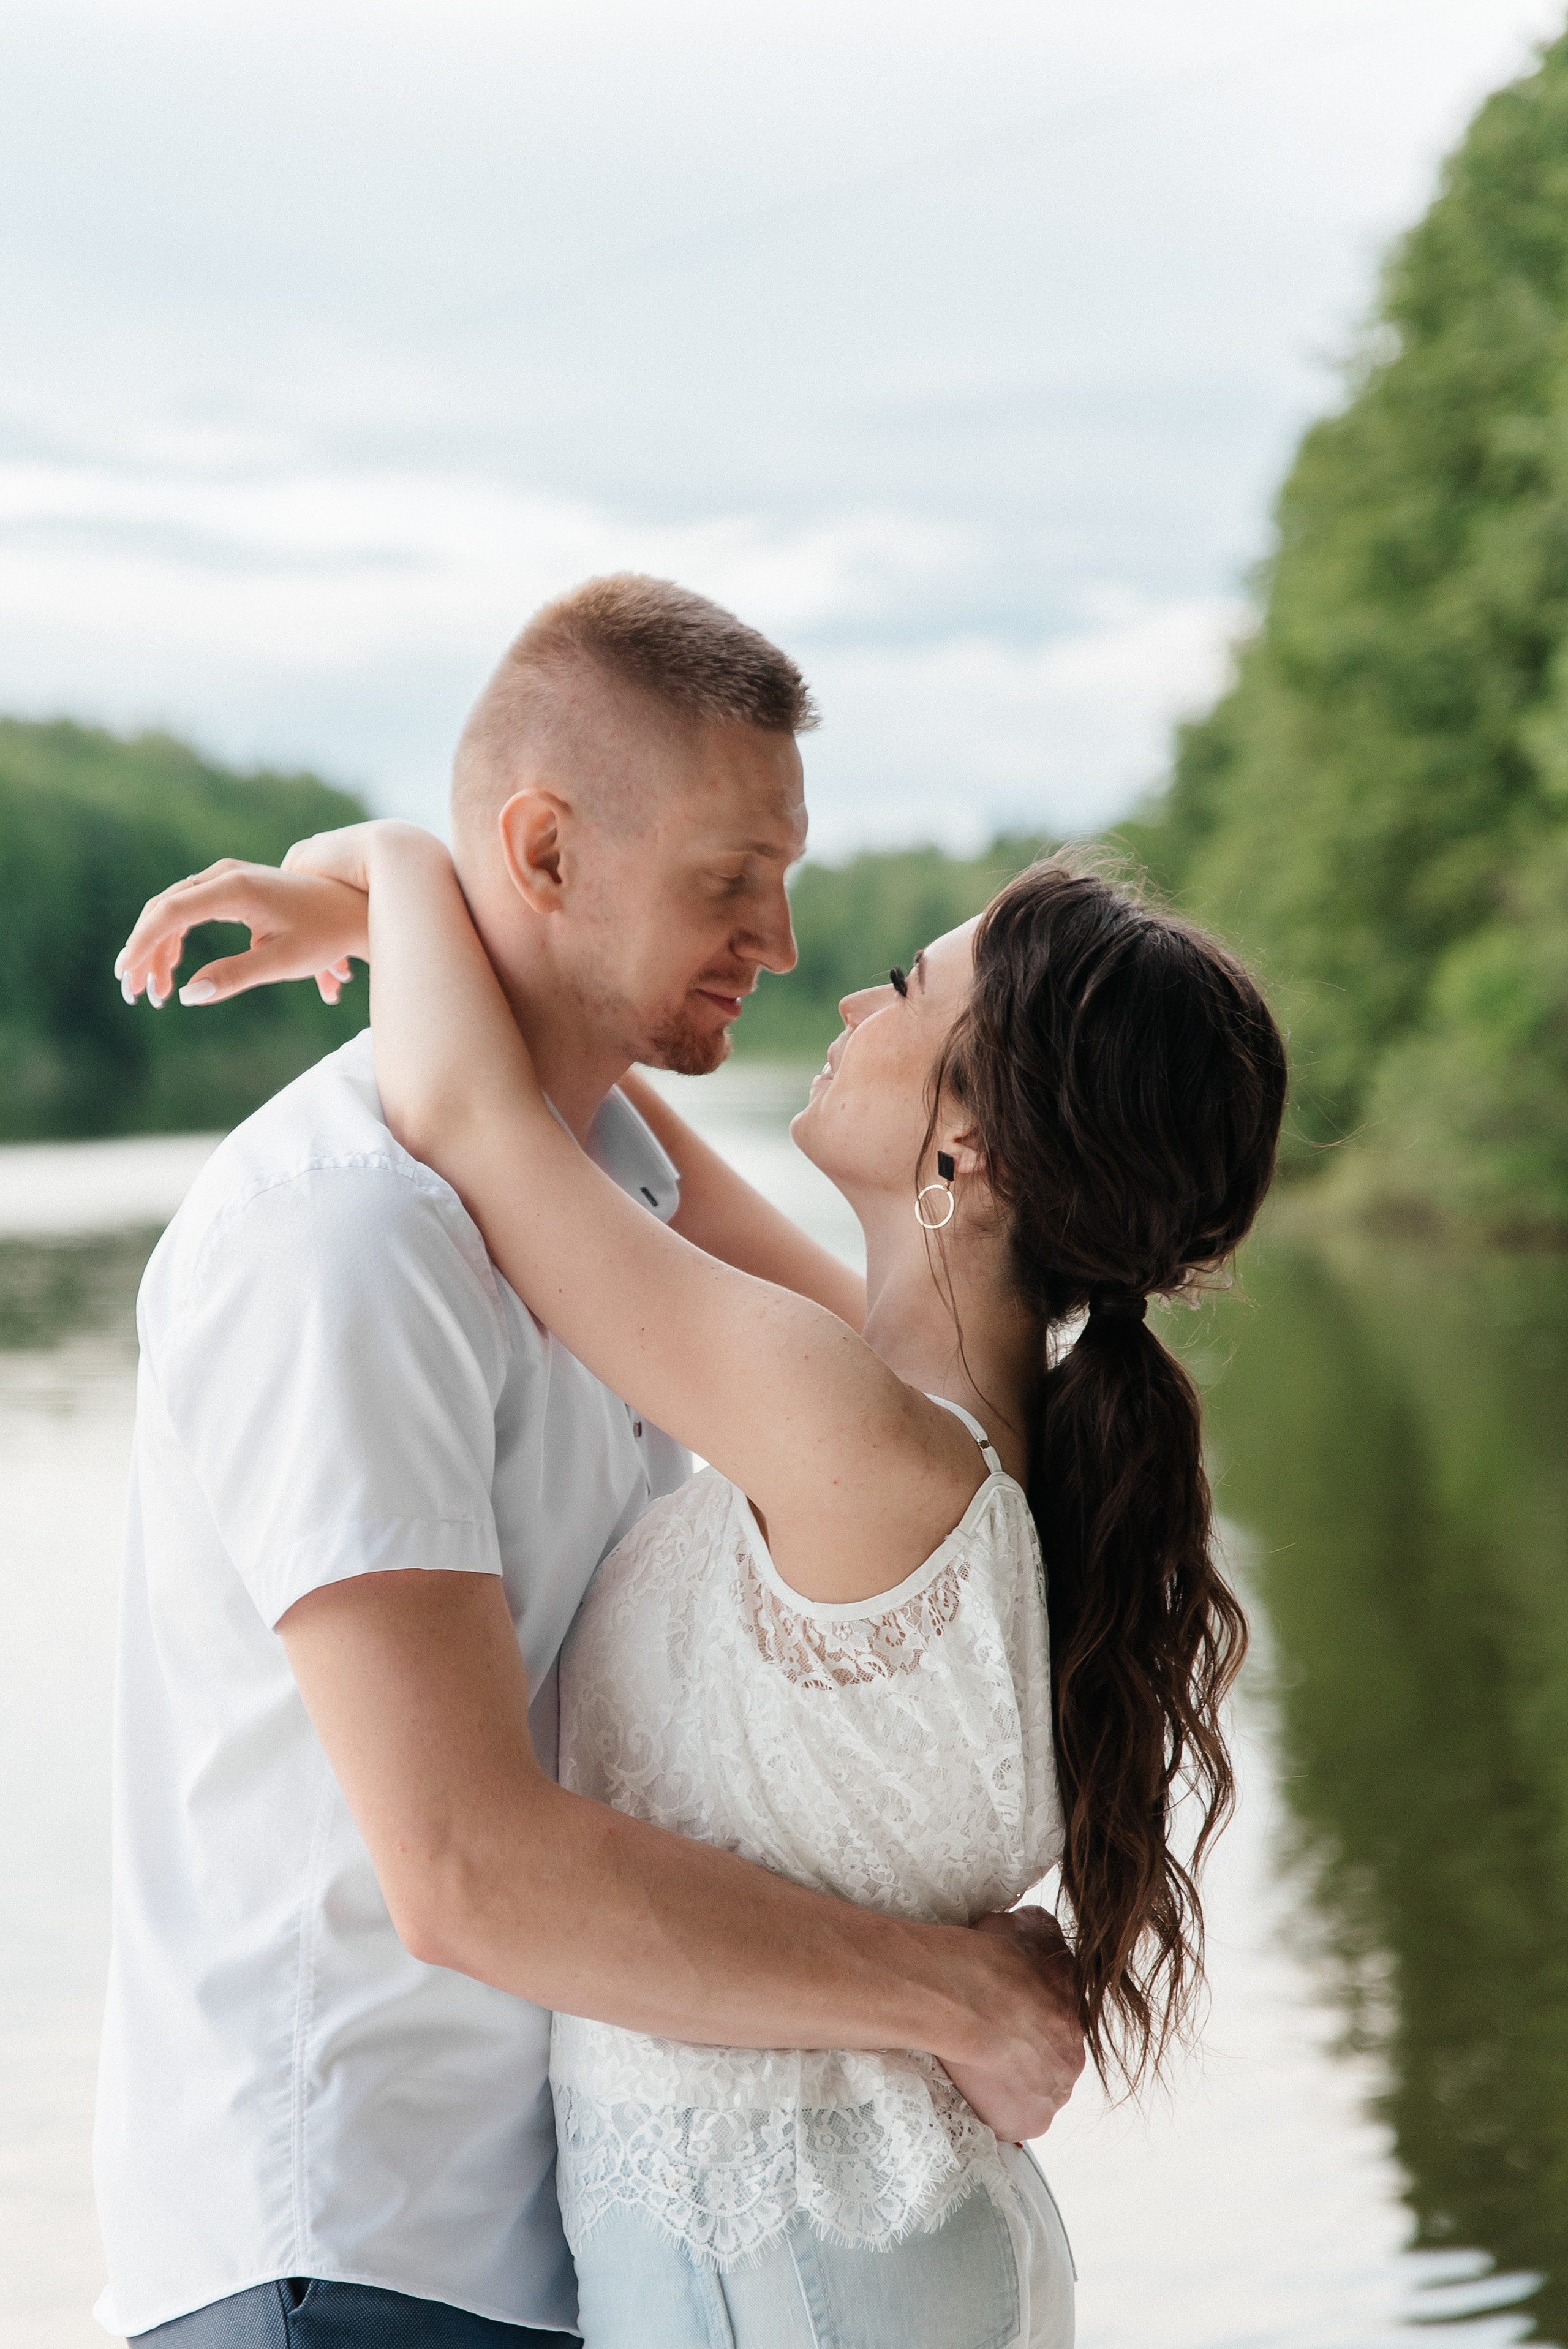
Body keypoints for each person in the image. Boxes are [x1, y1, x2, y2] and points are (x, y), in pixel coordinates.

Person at [119, 798, 1287, 2345]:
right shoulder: (934, 1425)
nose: (854, 1001)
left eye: (902, 987)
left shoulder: (849, 1433)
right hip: (831, 2247)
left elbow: (483, 1124)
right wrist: (415, 921)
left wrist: (400, 862)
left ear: (971, 1147)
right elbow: (584, 1100)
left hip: (795, 2278)